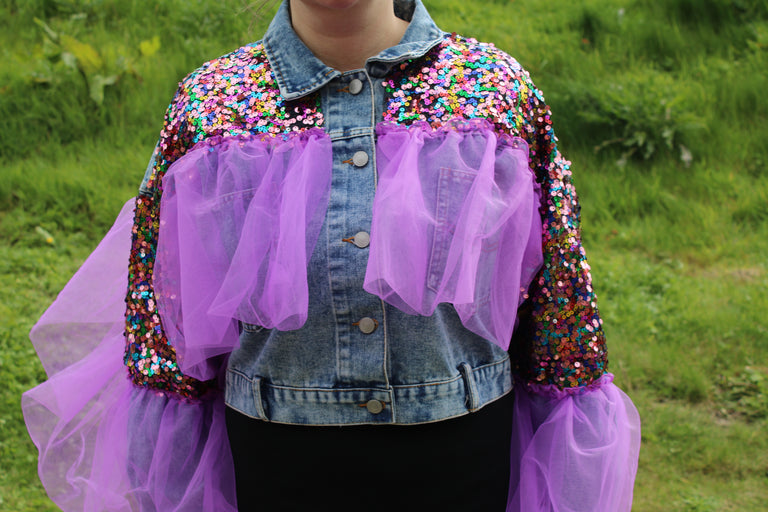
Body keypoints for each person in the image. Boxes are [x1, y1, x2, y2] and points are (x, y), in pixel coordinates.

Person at [22, 1, 641, 510]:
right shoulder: (209, 107)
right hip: (273, 471)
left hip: (464, 466)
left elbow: (560, 313)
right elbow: (166, 329)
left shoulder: (492, 94)